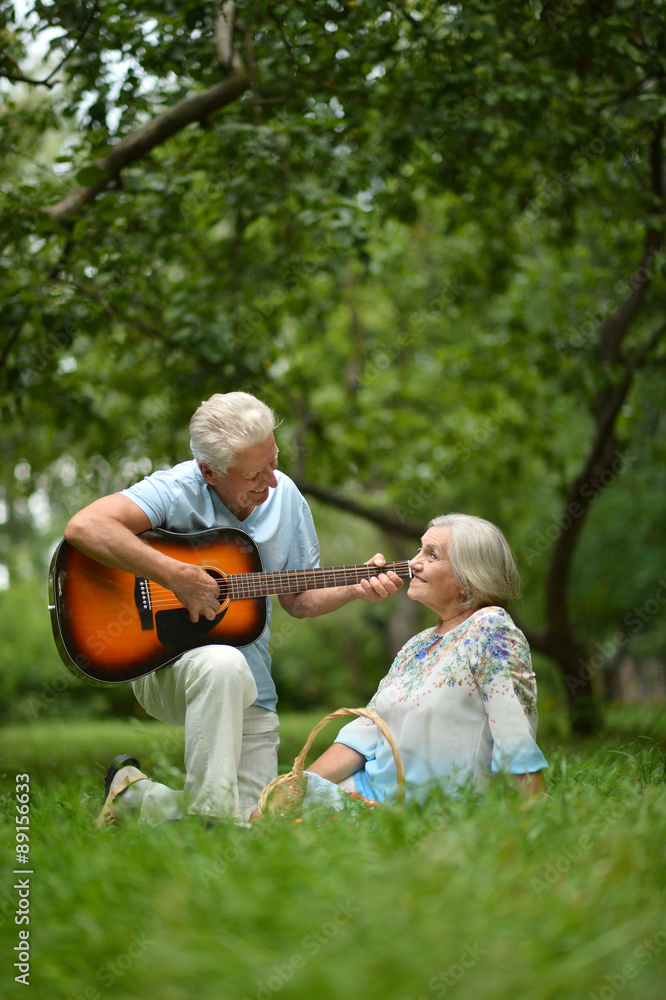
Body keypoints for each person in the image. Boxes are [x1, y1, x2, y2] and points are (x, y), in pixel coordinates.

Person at [63, 391, 404, 826]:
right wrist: (176, 575)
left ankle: (134, 797)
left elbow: (299, 601)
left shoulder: (287, 498)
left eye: (274, 462)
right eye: (254, 474)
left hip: (253, 683)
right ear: (209, 471)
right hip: (165, 667)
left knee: (252, 820)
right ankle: (210, 826)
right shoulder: (176, 488)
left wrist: (355, 589)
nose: (272, 481)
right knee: (222, 663)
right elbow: (85, 527)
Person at [280, 512, 548, 812]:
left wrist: (534, 816)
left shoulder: (490, 627)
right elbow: (366, 733)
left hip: (431, 812)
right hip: (366, 792)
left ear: (467, 578)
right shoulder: (417, 645)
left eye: (431, 555)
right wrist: (292, 788)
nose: (413, 562)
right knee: (269, 812)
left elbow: (514, 735)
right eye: (418, 550)